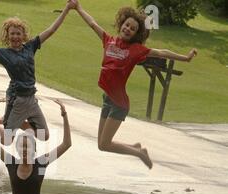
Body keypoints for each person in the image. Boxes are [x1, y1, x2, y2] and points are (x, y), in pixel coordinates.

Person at [71, 2, 197, 169]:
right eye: (127, 25)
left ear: (136, 34)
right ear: (121, 24)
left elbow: (161, 52)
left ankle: (138, 153)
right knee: (102, 145)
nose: (128, 29)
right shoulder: (108, 40)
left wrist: (185, 58)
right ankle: (136, 148)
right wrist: (78, 8)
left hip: (119, 103)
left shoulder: (136, 50)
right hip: (108, 99)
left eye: (133, 28)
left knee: (106, 144)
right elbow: (92, 23)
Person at [0, 1, 77, 145]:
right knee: (7, 140)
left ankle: (15, 121)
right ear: (7, 36)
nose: (15, 36)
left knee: (44, 136)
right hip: (16, 99)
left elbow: (51, 30)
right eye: (12, 34)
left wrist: (67, 9)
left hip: (31, 98)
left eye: (18, 33)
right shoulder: (4, 54)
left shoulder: (30, 47)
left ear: (23, 35)